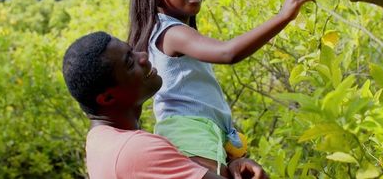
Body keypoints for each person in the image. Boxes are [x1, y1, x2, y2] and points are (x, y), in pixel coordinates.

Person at [127, 0, 315, 175]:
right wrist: (283, 16)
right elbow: (228, 53)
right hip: (190, 133)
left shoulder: (169, 31)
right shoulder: (171, 32)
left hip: (200, 132)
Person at [62, 31, 268, 179]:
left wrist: (232, 165)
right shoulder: (134, 150)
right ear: (107, 98)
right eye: (129, 62)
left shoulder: (99, 141)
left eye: (132, 51)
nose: (143, 57)